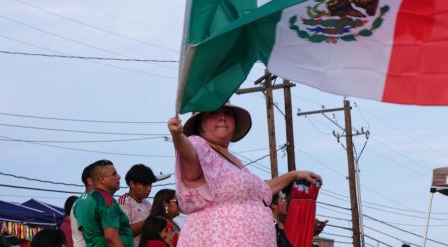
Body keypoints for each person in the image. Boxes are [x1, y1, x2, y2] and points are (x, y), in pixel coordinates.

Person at [167, 102, 322, 247]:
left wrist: (294, 175)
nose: (222, 117)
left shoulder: (232, 162)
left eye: (227, 113)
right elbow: (188, 155)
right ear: (200, 124)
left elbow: (261, 189)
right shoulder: (198, 145)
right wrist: (178, 136)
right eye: (213, 113)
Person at [73, 159, 134, 247]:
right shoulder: (105, 200)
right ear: (102, 179)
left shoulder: (80, 201)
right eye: (114, 174)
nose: (119, 176)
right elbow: (111, 237)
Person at [118, 164, 157, 246]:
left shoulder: (147, 204)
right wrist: (149, 221)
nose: (149, 189)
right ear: (132, 184)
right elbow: (124, 231)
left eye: (150, 185)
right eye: (145, 185)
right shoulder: (123, 203)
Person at [71, 162, 97, 247]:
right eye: (101, 177)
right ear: (90, 181)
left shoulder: (92, 200)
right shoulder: (85, 202)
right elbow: (91, 236)